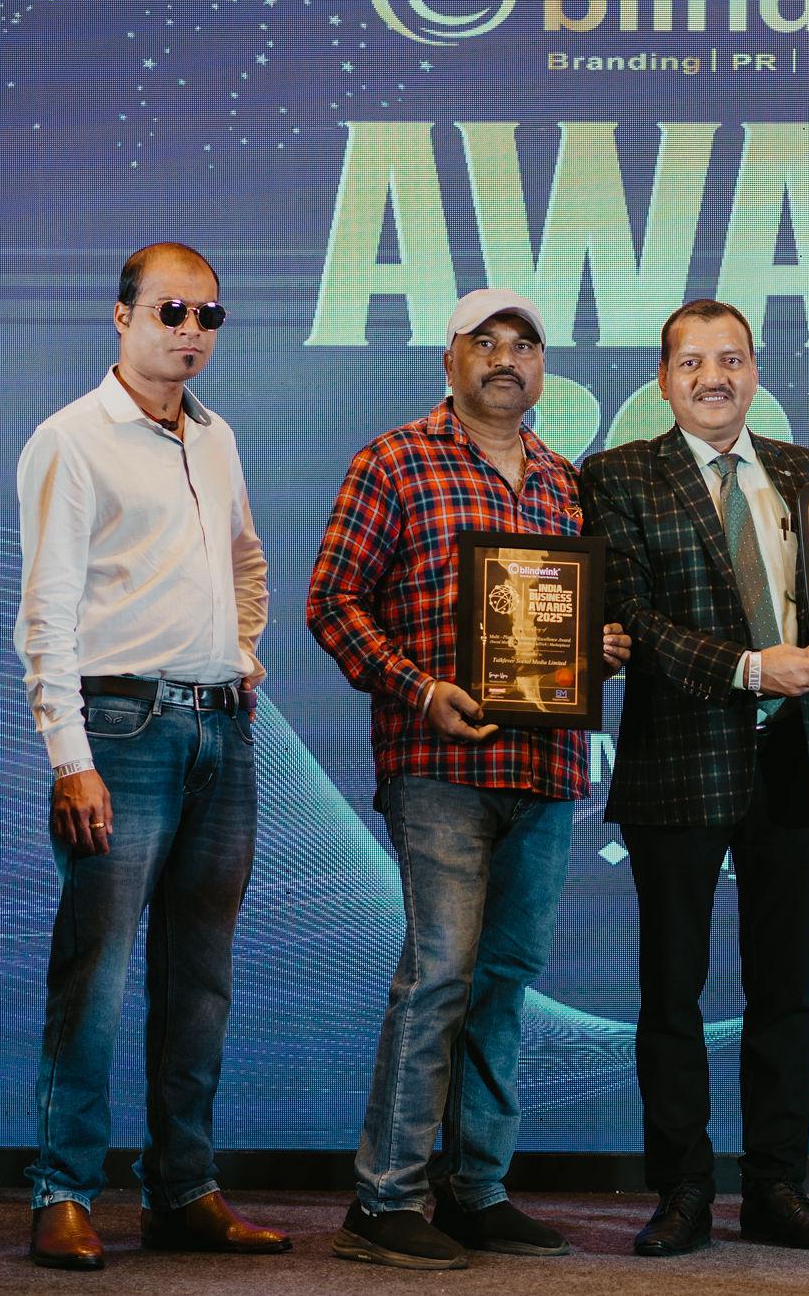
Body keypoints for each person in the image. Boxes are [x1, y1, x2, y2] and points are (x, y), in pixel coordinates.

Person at [308, 289, 629, 1271]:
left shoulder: (565, 480)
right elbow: (333, 601)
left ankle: (476, 1189)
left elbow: (575, 625)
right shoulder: (394, 460)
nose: (505, 358)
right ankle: (384, 1199)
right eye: (483, 341)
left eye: (523, 344)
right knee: (440, 976)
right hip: (440, 764)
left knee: (503, 983)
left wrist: (599, 647)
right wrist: (420, 688)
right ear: (448, 359)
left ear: (542, 368)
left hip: (544, 767)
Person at [13, 242, 285, 1270]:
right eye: (171, 310)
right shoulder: (70, 439)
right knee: (95, 972)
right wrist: (68, 756)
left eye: (208, 314)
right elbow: (45, 614)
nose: (191, 330)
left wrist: (240, 650)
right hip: (118, 730)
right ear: (121, 315)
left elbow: (246, 558)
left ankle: (183, 1188)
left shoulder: (215, 437)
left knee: (201, 976)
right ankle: (62, 1191)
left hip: (223, 728)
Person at [580, 298, 809, 1258]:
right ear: (664, 380)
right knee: (673, 991)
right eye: (693, 361)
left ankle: (778, 1186)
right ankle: (683, 1190)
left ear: (755, 372)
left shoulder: (807, 470)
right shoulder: (618, 474)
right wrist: (749, 667)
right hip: (678, 761)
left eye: (732, 358)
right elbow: (631, 616)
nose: (715, 376)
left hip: (794, 756)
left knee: (785, 991)